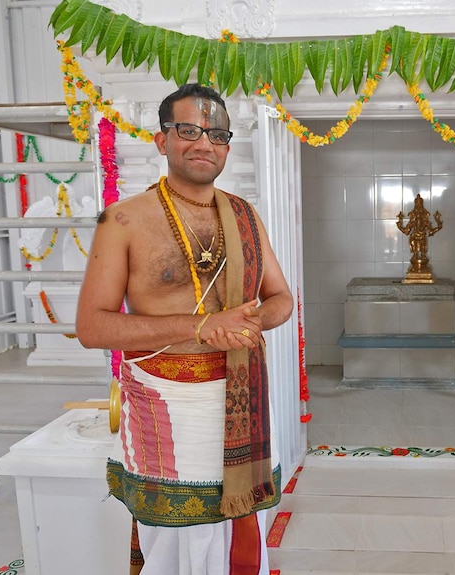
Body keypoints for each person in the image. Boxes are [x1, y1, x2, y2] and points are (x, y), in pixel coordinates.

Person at [76, 83, 293, 575]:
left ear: (227, 146)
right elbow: (92, 326)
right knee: (177, 545)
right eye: (189, 130)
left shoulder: (245, 215)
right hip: (169, 407)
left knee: (240, 534)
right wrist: (204, 326)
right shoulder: (124, 220)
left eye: (216, 133)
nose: (204, 143)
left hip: (243, 396)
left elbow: (281, 299)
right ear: (162, 140)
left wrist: (248, 322)